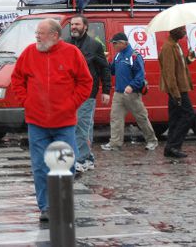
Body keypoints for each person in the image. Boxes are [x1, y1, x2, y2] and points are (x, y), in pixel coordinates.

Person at [9, 19, 92, 224]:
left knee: (65, 166)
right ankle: (45, 207)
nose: (37, 36)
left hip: (64, 122)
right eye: (37, 33)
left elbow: (85, 82)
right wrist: (27, 101)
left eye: (41, 33)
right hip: (37, 122)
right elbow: (17, 79)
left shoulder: (72, 53)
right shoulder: (29, 53)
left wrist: (71, 104)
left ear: (55, 35)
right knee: (40, 166)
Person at [103, 32, 159, 153]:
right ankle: (115, 143)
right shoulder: (118, 56)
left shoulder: (134, 56)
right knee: (115, 118)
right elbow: (112, 71)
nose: (113, 45)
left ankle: (152, 140)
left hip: (132, 94)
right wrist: (106, 62)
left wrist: (131, 86)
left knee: (141, 117)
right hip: (119, 93)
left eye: (115, 43)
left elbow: (140, 75)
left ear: (123, 43)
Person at [68, 15, 111, 173]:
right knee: (85, 126)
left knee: (81, 125)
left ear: (85, 26)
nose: (73, 27)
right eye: (72, 24)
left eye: (77, 24)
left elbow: (104, 68)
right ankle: (88, 158)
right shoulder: (66, 43)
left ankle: (81, 159)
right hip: (70, 93)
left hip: (88, 92)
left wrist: (106, 90)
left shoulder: (94, 45)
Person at [158, 26, 195, 159]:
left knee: (175, 118)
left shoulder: (176, 45)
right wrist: (176, 93)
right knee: (189, 115)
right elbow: (169, 73)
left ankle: (170, 148)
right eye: (181, 30)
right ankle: (174, 145)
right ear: (174, 31)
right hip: (177, 89)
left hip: (180, 87)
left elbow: (180, 65)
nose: (184, 32)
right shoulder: (168, 47)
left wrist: (189, 59)